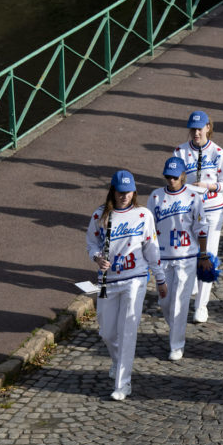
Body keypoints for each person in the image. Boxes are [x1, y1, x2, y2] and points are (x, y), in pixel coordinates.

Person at [86, 170, 167, 401]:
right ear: (113, 191)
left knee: (128, 329)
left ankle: (123, 383)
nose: (125, 197)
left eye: (129, 192)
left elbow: (152, 248)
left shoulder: (143, 215)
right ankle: (118, 360)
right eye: (121, 192)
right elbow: (91, 242)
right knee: (107, 332)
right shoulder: (100, 215)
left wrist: (160, 278)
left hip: (135, 278)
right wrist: (96, 257)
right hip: (108, 280)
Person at [173, 110, 223, 323]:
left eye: (200, 128)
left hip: (212, 209)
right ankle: (187, 291)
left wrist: (209, 186)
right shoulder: (180, 152)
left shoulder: (218, 153)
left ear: (208, 127)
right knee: (188, 252)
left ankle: (202, 306)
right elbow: (173, 178)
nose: (196, 133)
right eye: (193, 129)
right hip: (188, 210)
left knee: (207, 254)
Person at [148, 157, 208, 362]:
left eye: (175, 177)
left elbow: (201, 228)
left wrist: (203, 254)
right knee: (165, 302)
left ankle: (176, 344)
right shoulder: (155, 197)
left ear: (183, 176)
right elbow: (149, 228)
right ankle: (177, 329)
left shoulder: (193, 197)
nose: (171, 180)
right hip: (163, 257)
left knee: (180, 303)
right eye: (168, 176)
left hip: (186, 257)